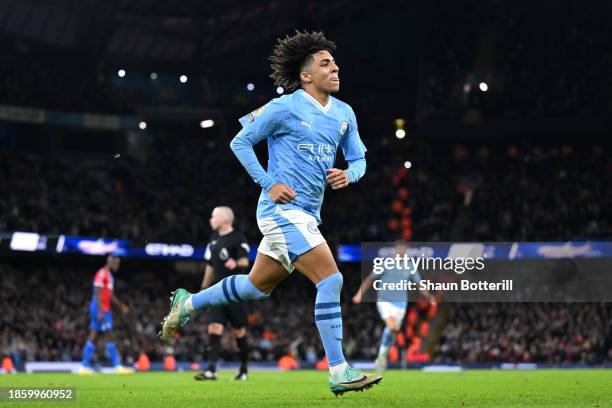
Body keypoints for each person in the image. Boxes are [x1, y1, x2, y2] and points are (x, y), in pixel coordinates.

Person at [159, 30, 380, 395]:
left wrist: (349, 174)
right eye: (326, 64)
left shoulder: (345, 114)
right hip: (280, 210)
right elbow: (240, 141)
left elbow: (359, 159)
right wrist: (267, 182)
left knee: (255, 287)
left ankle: (189, 302)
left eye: (335, 62)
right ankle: (339, 370)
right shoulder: (285, 106)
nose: (336, 68)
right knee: (331, 279)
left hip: (308, 215)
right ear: (306, 75)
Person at [352, 243, 436, 372]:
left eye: (404, 249)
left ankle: (382, 354)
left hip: (401, 304)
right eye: (399, 249)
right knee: (391, 326)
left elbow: (419, 284)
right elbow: (370, 279)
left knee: (393, 330)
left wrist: (430, 297)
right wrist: (359, 294)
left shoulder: (410, 266)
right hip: (384, 301)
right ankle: (381, 356)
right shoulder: (385, 263)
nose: (402, 251)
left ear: (407, 251)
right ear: (395, 250)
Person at [194, 206, 251, 381]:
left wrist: (236, 263)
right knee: (214, 328)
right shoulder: (213, 239)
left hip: (234, 292)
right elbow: (210, 265)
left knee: (239, 332)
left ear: (225, 219)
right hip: (215, 292)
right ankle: (211, 370)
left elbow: (245, 261)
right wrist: (203, 289)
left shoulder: (238, 238)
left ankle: (243, 370)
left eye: (213, 216)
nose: (211, 219)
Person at [79, 255, 133, 374]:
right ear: (111, 262)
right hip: (101, 308)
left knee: (95, 334)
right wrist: (100, 311)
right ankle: (118, 366)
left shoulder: (109, 276)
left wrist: (121, 306)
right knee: (108, 334)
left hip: (104, 308)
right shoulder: (102, 273)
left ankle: (83, 366)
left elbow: (110, 296)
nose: (118, 266)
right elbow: (97, 292)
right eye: (116, 263)